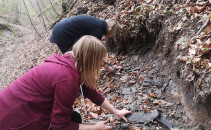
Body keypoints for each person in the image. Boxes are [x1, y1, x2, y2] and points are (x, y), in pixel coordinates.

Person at [0, 36, 131, 130]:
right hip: (12, 119)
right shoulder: (66, 79)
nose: (101, 65)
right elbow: (60, 126)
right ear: (90, 62)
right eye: (100, 62)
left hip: (9, 105)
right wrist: (94, 128)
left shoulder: (70, 61)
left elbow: (89, 91)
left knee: (74, 118)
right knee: (74, 120)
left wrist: (116, 111)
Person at [50, 15, 119, 73]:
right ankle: (77, 78)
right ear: (110, 30)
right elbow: (94, 53)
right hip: (63, 33)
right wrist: (107, 66)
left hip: (59, 29)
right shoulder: (97, 31)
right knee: (73, 58)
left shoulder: (97, 23)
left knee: (75, 55)